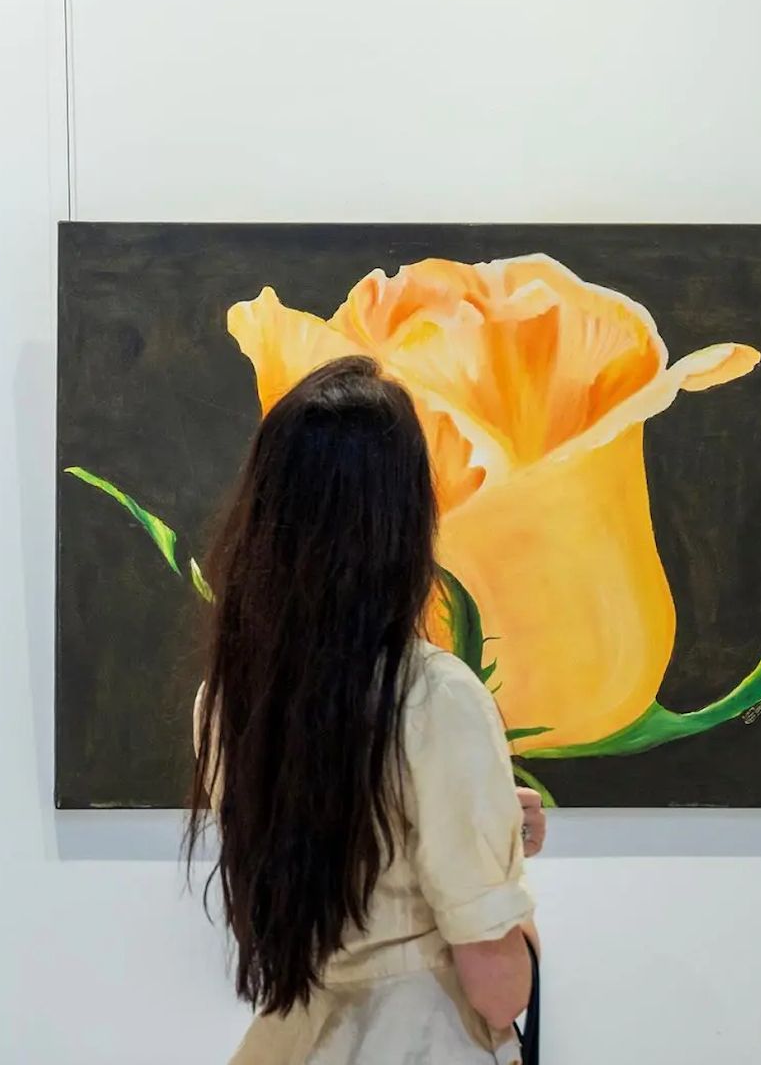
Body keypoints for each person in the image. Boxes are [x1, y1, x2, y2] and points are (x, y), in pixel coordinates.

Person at [187, 356, 543, 1065]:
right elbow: (499, 988)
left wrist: (493, 823)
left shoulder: (228, 697)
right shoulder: (436, 697)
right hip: (416, 1038)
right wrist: (506, 889)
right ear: (404, 522)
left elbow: (335, 846)